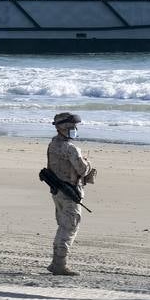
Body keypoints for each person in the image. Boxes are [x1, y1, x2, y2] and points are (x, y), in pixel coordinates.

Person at [45, 111, 96, 276]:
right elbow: (82, 169)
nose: (75, 129)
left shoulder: (53, 144)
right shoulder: (71, 148)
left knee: (63, 225)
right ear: (63, 128)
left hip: (57, 190)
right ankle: (59, 264)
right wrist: (88, 163)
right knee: (70, 226)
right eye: (72, 126)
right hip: (70, 192)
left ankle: (56, 262)